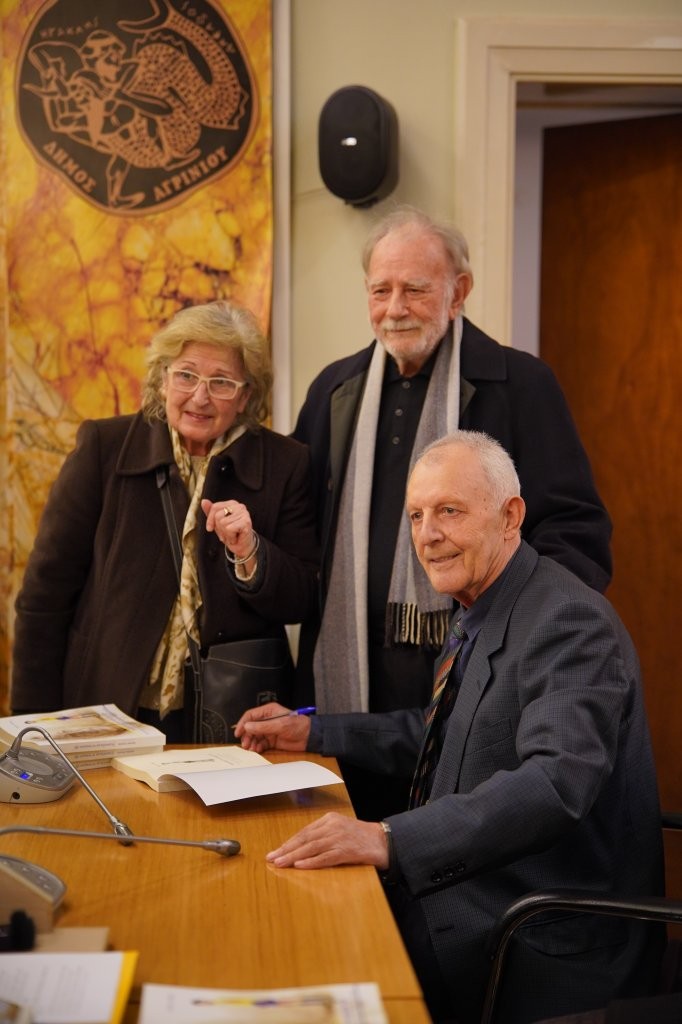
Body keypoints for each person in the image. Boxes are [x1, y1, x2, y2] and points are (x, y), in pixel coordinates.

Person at [235, 431, 664, 1024]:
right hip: (469, 896)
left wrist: (390, 839)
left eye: (450, 511)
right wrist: (312, 733)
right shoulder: (483, 605)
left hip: (534, 934)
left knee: (306, 959)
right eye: (416, 515)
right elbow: (443, 734)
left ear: (510, 516)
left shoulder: (567, 618)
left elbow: (555, 782)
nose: (427, 535)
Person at [291, 205, 613, 820]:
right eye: (380, 290)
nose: (395, 308)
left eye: (415, 289)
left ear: (458, 291)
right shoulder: (333, 390)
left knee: (444, 853)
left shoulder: (522, 384)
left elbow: (577, 533)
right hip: (349, 685)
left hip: (474, 673)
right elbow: (301, 532)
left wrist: (512, 633)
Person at [11, 300, 319, 741]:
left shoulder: (286, 463)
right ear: (162, 379)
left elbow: (303, 599)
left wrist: (252, 553)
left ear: (246, 396)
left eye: (221, 382)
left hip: (231, 718)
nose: (200, 397)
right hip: (108, 705)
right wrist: (32, 725)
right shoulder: (105, 448)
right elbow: (46, 595)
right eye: (186, 375)